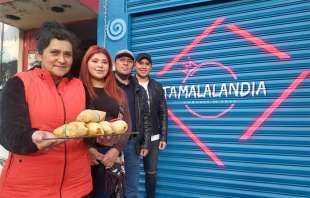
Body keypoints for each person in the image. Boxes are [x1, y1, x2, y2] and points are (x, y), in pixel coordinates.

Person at [0, 21, 92, 197]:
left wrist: (104, 138)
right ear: (40, 55)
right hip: (28, 189)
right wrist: (32, 137)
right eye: (55, 53)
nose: (62, 60)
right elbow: (8, 133)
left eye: (68, 54)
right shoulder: (18, 83)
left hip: (77, 187)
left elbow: (87, 132)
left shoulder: (80, 86)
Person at [79, 45, 130, 198]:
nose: (100, 65)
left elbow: (127, 124)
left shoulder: (118, 92)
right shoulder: (76, 88)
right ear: (86, 63)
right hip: (82, 155)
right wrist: (87, 149)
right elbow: (69, 123)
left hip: (110, 155)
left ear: (110, 66)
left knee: (109, 193)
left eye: (104, 62)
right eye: (95, 61)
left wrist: (116, 150)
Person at [114, 49, 152, 198]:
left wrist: (145, 143)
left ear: (133, 65)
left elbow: (146, 117)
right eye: (122, 60)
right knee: (110, 186)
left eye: (129, 61)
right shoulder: (106, 83)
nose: (125, 63)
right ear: (115, 62)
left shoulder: (138, 88)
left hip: (132, 143)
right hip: (110, 144)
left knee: (132, 189)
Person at [134, 53, 168, 198]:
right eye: (141, 63)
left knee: (151, 172)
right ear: (135, 65)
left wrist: (163, 137)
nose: (143, 66)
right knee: (129, 172)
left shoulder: (157, 86)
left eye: (147, 64)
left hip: (154, 136)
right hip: (132, 136)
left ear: (151, 67)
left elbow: (163, 113)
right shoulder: (129, 84)